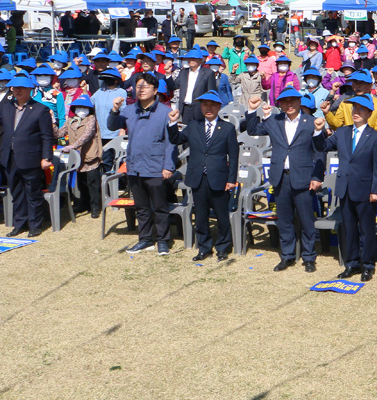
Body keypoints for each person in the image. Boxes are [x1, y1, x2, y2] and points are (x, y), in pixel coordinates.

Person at [244, 88, 328, 273]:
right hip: (280, 177)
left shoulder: (310, 122)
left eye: (293, 101)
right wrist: (251, 110)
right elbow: (252, 130)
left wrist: (317, 176)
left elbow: (320, 151)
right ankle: (288, 255)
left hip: (304, 177)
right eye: (285, 101)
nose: (289, 104)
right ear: (280, 104)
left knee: (306, 219)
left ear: (299, 102)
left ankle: (308, 257)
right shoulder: (274, 120)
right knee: (285, 220)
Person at [108, 73, 176, 255]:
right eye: (138, 86)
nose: (141, 89)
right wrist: (115, 109)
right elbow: (112, 125)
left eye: (146, 86)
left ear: (155, 90)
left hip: (156, 166)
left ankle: (163, 240)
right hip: (135, 166)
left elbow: (171, 142)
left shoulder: (164, 112)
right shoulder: (129, 110)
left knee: (160, 207)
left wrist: (168, 166)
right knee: (142, 207)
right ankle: (145, 239)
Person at [320, 95, 377, 282]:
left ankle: (368, 265)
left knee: (366, 229)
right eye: (353, 108)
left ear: (369, 113)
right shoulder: (341, 132)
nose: (356, 112)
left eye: (360, 109)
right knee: (349, 229)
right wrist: (318, 132)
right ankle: (352, 263)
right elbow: (323, 146)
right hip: (345, 188)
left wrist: (376, 190)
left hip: (365, 190)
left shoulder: (376, 137)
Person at [168, 91, 239, 262]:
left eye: (212, 105)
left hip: (219, 178)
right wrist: (172, 122)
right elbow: (176, 139)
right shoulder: (194, 125)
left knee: (222, 215)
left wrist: (231, 180)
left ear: (219, 107)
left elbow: (234, 156)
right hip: (198, 177)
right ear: (200, 107)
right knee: (200, 215)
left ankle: (223, 247)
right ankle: (204, 247)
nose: (208, 108)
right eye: (205, 104)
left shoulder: (227, 128)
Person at [1, 73, 55, 237]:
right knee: (16, 193)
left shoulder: (41, 109)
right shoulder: (5, 107)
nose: (17, 90)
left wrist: (47, 157)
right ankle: (19, 224)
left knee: (33, 193)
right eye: (15, 87)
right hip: (9, 157)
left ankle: (35, 225)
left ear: (30, 89)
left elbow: (47, 136)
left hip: (30, 158)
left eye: (21, 88)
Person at [58, 94, 102, 219]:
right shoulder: (71, 120)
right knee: (81, 182)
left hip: (90, 155)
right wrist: (52, 125)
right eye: (79, 107)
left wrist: (73, 146)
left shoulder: (91, 119)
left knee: (92, 182)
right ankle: (84, 204)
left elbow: (87, 135)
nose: (81, 109)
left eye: (84, 107)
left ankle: (95, 206)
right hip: (77, 158)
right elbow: (60, 133)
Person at [175, 48, 216, 125]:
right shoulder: (183, 72)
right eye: (190, 58)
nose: (192, 60)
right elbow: (174, 86)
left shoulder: (208, 73)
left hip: (200, 110)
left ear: (201, 60)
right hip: (185, 109)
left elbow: (211, 92)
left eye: (194, 58)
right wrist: (168, 75)